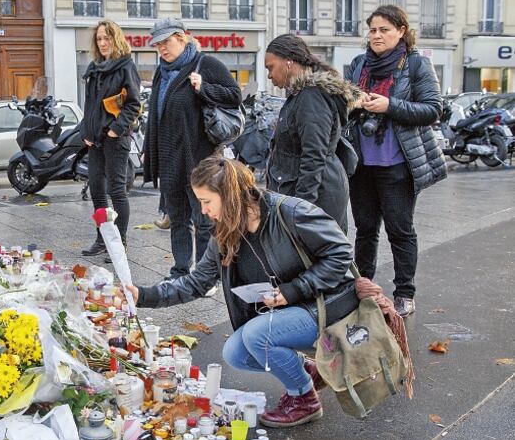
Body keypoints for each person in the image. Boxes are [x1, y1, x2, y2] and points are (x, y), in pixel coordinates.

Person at [126, 158, 359, 428]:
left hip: (327, 305)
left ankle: (304, 399)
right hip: (290, 311)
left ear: (229, 195)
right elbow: (196, 283)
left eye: (207, 201)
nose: (203, 211)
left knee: (255, 335)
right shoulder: (225, 233)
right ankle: (306, 370)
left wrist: (294, 290)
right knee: (236, 353)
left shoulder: (289, 212)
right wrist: (143, 295)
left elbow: (341, 253)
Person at [345, 4, 446, 317]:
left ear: (401, 31)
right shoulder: (359, 64)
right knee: (364, 230)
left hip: (398, 164)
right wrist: (353, 101)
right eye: (373, 29)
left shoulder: (416, 64)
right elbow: (342, 104)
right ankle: (363, 288)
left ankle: (405, 292)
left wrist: (390, 105)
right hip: (361, 163)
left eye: (384, 29)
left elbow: (432, 109)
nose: (376, 35)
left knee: (400, 230)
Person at [143, 18, 241, 280]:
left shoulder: (204, 64)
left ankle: (206, 274)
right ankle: (181, 270)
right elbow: (156, 115)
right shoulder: (161, 72)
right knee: (177, 219)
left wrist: (203, 87)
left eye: (166, 41)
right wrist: (148, 148)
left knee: (204, 220)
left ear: (182, 37)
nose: (162, 48)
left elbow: (235, 95)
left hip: (198, 159)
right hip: (169, 157)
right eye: (158, 44)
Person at [264, 34, 360, 232]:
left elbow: (313, 155)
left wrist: (301, 208)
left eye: (271, 67)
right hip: (309, 193)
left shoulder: (311, 95)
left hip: (317, 196)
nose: (269, 75)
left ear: (289, 62)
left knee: (321, 259)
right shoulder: (301, 94)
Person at [80, 20, 142, 259]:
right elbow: (90, 105)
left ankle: (120, 242)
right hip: (94, 139)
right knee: (96, 189)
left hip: (116, 139)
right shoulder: (95, 68)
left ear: (116, 39)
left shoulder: (126, 67)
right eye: (99, 39)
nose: (103, 43)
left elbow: (134, 104)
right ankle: (103, 237)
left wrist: (116, 129)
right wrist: (86, 131)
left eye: (107, 38)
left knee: (116, 191)